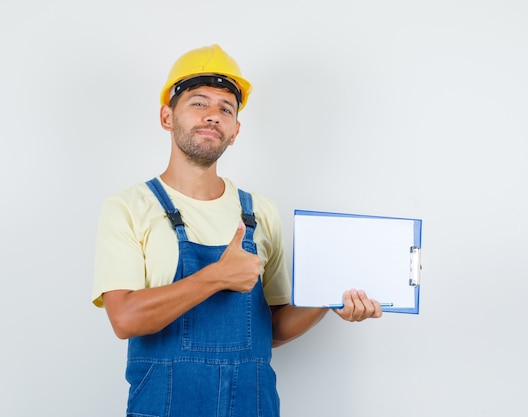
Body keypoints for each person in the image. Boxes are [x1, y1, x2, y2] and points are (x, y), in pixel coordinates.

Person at [92, 44, 382, 416]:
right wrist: (215, 277)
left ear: (235, 130)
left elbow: (272, 330)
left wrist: (328, 298)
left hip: (252, 404)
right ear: (167, 116)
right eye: (199, 103)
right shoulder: (128, 207)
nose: (213, 116)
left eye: (225, 109)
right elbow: (125, 319)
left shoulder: (259, 211)